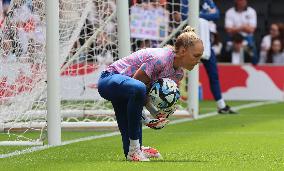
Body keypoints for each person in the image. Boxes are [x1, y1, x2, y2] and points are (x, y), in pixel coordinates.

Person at [98, 26, 204, 161]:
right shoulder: (161, 58)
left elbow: (144, 95)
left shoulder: (178, 74)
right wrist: (147, 118)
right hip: (110, 79)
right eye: (196, 56)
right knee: (138, 88)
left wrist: (157, 115)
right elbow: (136, 86)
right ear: (183, 51)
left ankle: (136, 149)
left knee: (129, 149)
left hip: (128, 91)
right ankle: (135, 151)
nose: (198, 60)